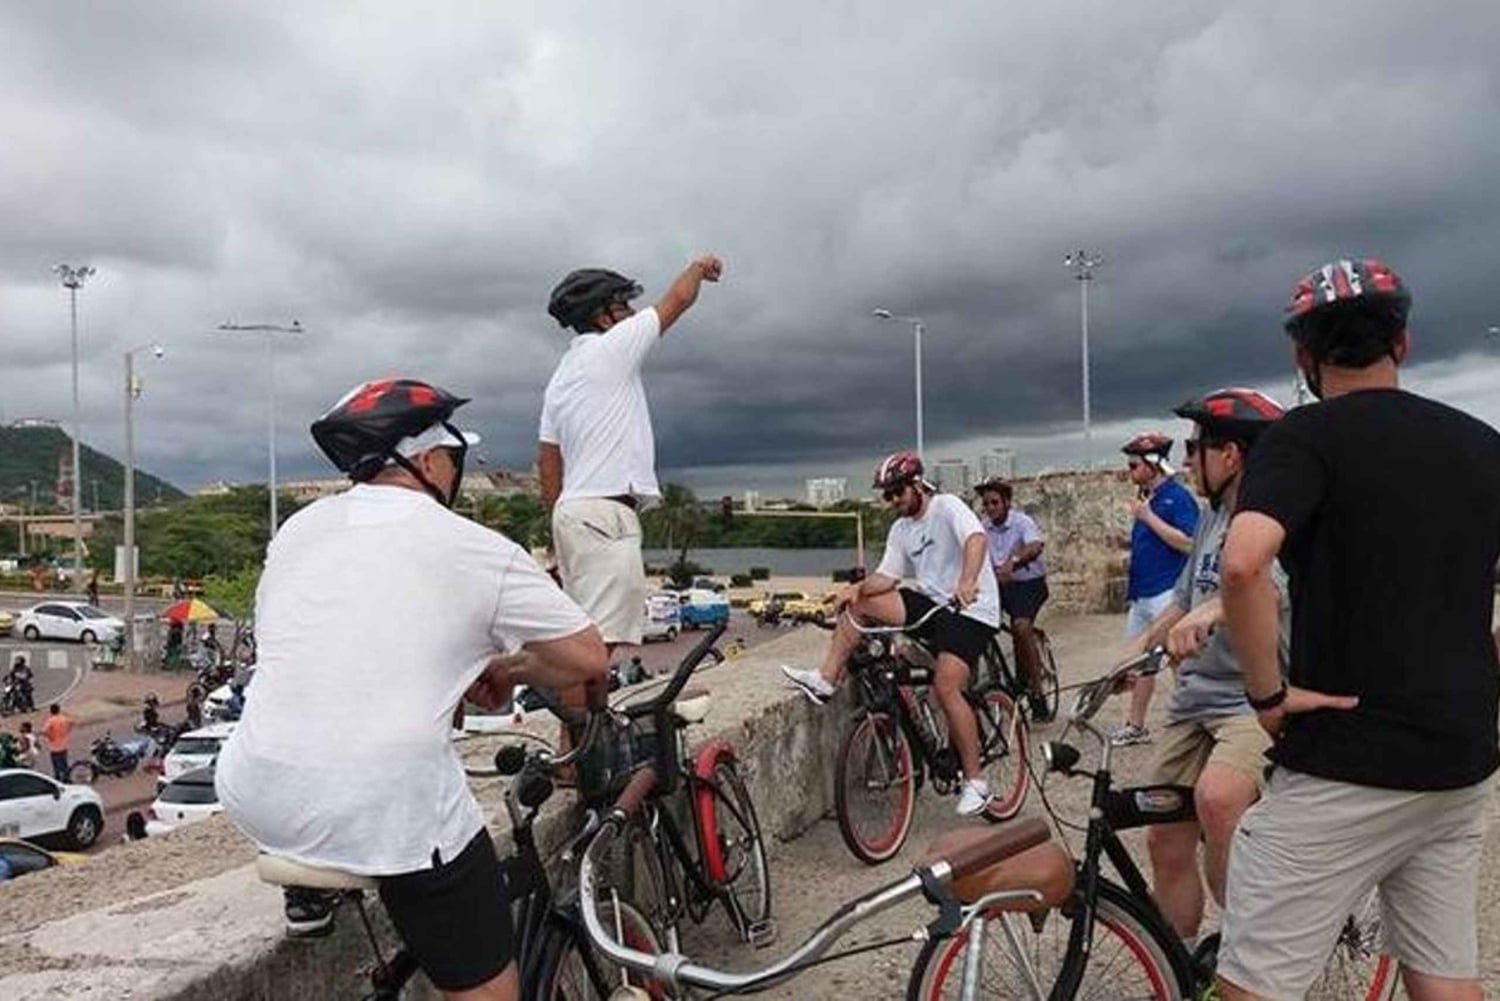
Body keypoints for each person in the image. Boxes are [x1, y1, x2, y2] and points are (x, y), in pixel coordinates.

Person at [217, 378, 608, 1001]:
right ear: (427, 461)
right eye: (455, 457)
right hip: (377, 799)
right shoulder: (472, 546)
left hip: (254, 788)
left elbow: (331, 649)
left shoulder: (299, 528)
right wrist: (510, 671)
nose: (455, 471)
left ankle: (315, 891)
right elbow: (587, 658)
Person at [1217, 258, 1500, 1001]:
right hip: (1457, 758)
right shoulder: (1481, 444)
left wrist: (1267, 695)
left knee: (1255, 985)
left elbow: (1244, 566)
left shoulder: (1304, 438)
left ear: (1302, 358)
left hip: (1350, 758)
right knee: (1444, 977)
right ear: (1402, 344)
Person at [1114, 388, 1288, 948]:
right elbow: (1185, 600)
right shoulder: (1213, 515)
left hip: (1251, 700)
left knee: (1219, 799)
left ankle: (1253, 957)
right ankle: (1178, 968)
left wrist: (1218, 611)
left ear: (1230, 454)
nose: (1187, 460)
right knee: (1163, 835)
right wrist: (1134, 649)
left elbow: (1264, 586)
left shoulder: (1275, 517)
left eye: (1195, 448)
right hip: (1194, 699)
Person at [782, 451, 1001, 816]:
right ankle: (825, 680)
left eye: (898, 492)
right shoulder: (901, 529)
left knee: (946, 686)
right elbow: (887, 577)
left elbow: (976, 540)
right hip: (932, 605)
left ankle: (977, 782)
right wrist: (857, 590)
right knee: (862, 605)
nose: (893, 501)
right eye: (887, 495)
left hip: (971, 610)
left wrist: (966, 580)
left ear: (917, 485)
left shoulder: (947, 507)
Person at [538, 256, 724, 664]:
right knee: (594, 648)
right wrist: (698, 267)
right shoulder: (612, 348)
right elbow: (677, 299)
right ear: (603, 317)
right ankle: (506, 674)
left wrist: (559, 526)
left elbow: (548, 460)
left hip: (573, 512)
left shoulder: (560, 378)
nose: (632, 313)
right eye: (623, 305)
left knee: (584, 634)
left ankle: (586, 729)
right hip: (606, 514)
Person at [1112, 432, 1200, 746]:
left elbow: (1190, 543)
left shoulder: (1177, 498)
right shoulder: (1147, 499)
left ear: (1153, 464)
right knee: (1139, 663)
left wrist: (1148, 518)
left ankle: (1196, 723)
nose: (1130, 471)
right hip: (1143, 593)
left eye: (1135, 465)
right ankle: (1135, 725)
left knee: (1179, 659)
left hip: (1167, 591)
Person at [975, 478, 1052, 722]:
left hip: (1028, 584)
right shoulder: (982, 527)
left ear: (1007, 502)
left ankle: (1037, 694)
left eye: (995, 502)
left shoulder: (1022, 522)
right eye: (986, 503)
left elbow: (1035, 545)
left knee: (1020, 625)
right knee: (977, 623)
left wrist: (1014, 562)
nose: (990, 508)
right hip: (998, 586)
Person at [40, 703, 74, 783]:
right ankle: (66, 777)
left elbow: (44, 731)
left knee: (56, 764)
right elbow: (72, 723)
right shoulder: (64, 718)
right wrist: (67, 731)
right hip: (64, 744)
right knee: (64, 762)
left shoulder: (51, 720)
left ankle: (58, 778)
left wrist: (50, 736)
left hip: (54, 746)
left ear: (51, 711)